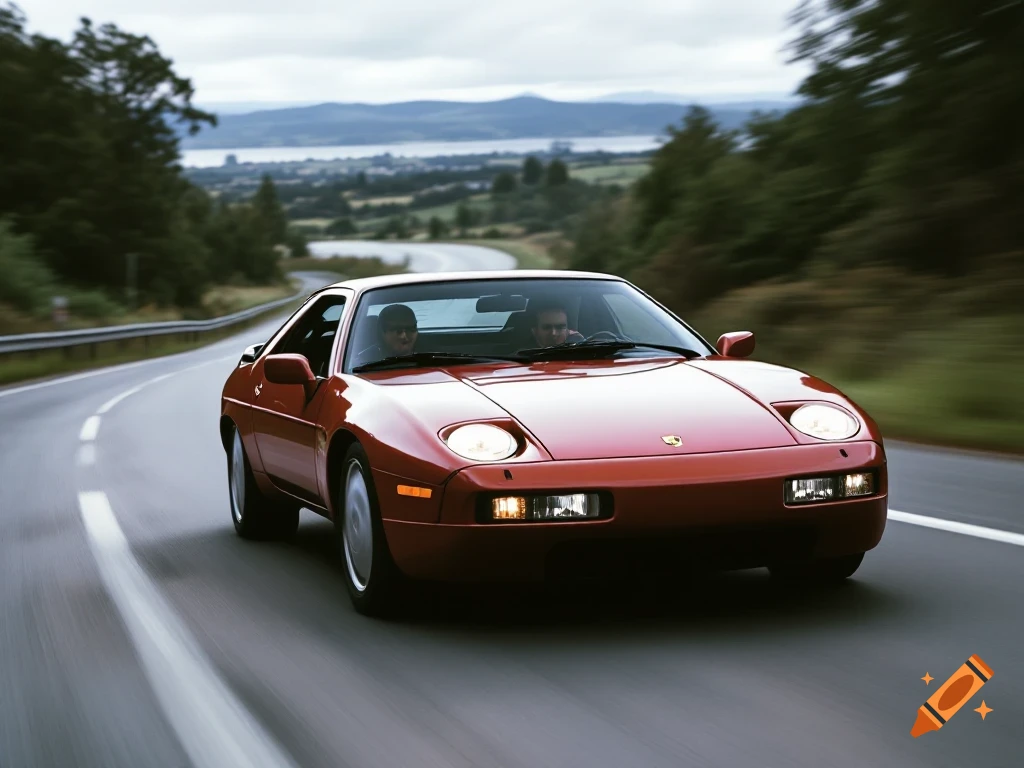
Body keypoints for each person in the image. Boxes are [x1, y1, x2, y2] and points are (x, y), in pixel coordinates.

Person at [352, 303, 419, 367]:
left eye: (411, 329)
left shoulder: (424, 358)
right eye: (398, 331)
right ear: (382, 332)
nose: (404, 336)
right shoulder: (363, 363)